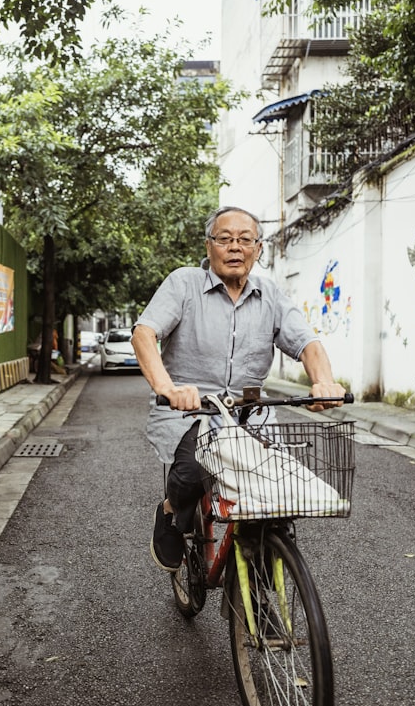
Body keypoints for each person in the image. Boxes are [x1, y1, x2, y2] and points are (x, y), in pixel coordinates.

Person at [132, 205, 345, 572]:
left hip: (249, 412)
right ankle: (170, 511)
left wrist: (322, 380)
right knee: (192, 470)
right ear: (209, 245)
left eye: (245, 240)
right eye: (225, 239)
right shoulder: (184, 283)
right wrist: (167, 386)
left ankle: (265, 570)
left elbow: (307, 342)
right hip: (190, 410)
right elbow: (144, 334)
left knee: (275, 488)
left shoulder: (270, 294)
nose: (235, 248)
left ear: (258, 249)